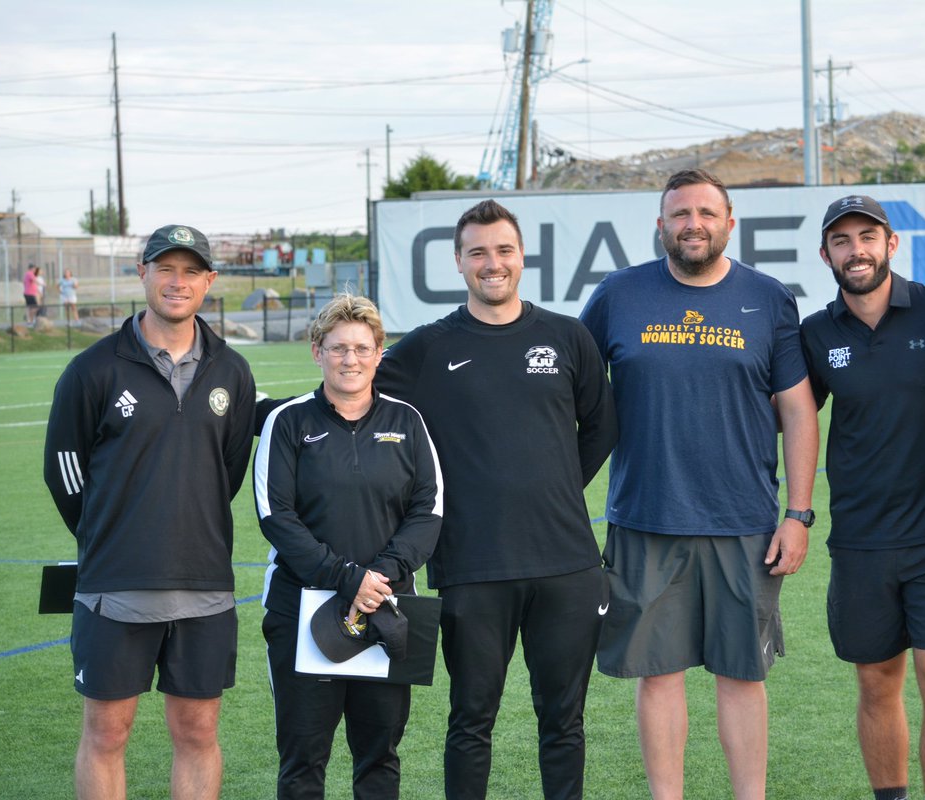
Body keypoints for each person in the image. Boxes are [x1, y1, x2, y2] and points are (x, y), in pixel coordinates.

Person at [579, 168, 819, 800]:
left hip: (743, 520)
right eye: (680, 214)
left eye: (707, 214)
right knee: (658, 675)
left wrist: (798, 514)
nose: (693, 225)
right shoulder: (618, 295)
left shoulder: (767, 298)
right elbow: (572, 393)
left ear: (729, 223)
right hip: (645, 516)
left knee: (742, 676)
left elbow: (798, 410)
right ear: (660, 225)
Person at [372, 199, 617, 800]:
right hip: (473, 567)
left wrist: (556, 487)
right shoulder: (427, 348)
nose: (492, 263)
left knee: (564, 721)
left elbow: (602, 427)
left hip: (567, 565)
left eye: (503, 250)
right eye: (478, 252)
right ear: (458, 261)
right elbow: (353, 393)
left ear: (522, 256)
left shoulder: (567, 336)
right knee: (471, 719)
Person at [43, 224, 256, 800]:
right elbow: (64, 472)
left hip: (204, 584)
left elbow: (228, 471)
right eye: (166, 268)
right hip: (115, 584)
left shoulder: (232, 371)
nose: (177, 282)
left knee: (198, 732)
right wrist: (110, 533)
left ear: (209, 281)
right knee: (107, 734)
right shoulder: (92, 369)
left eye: (191, 271)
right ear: (142, 273)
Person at [799, 195, 925, 800]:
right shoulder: (816, 332)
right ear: (825, 254)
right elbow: (789, 415)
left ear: (891, 244)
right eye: (842, 241)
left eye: (867, 237)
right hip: (860, 542)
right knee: (876, 684)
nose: (857, 251)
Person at [255, 294, 443, 799]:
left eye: (362, 348)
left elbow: (428, 510)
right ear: (317, 351)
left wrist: (378, 577)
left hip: (387, 608)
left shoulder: (408, 421)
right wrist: (347, 578)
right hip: (302, 609)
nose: (350, 359)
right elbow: (277, 516)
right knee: (303, 760)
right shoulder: (287, 421)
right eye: (338, 348)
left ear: (379, 353)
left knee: (379, 757)